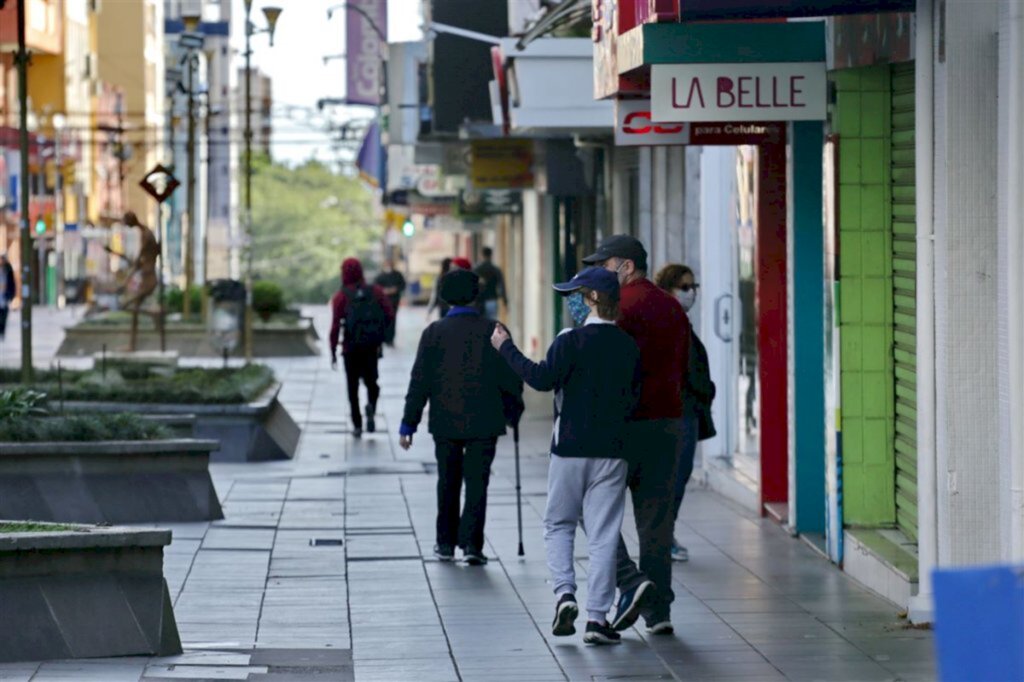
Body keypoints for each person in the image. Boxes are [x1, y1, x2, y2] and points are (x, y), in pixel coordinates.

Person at [491, 266, 641, 646]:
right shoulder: (628, 345)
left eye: (576, 293)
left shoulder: (570, 342)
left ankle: (564, 595)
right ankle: (596, 619)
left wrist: (505, 348)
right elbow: (635, 399)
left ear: (592, 298)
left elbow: (541, 379)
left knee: (559, 524)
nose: (570, 301)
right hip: (613, 451)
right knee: (604, 534)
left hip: (570, 448)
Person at [581, 234, 690, 636]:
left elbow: (598, 363)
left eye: (604, 266)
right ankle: (658, 611)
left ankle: (630, 582)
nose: (599, 274)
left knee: (595, 512)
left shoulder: (617, 307)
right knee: (656, 523)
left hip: (621, 427)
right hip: (668, 425)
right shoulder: (672, 306)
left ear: (625, 266)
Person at [399, 268, 524, 566]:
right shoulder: (494, 329)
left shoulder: (434, 333)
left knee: (448, 480)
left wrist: (408, 424)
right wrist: (513, 411)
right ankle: (472, 544)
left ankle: (444, 543)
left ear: (445, 297)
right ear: (476, 295)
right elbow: (511, 375)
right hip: (485, 421)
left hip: (445, 422)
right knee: (478, 482)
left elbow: (420, 381)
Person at [654, 264, 717, 563]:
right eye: (685, 287)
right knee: (674, 477)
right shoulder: (669, 322)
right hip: (678, 411)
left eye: (694, 287)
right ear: (668, 288)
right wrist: (704, 389)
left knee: (678, 475)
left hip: (685, 409)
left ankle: (664, 536)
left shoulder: (680, 320)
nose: (691, 293)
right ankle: (662, 539)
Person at [329, 258, 395, 439]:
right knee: (372, 382)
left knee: (352, 387)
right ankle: (371, 407)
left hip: (350, 348)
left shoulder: (341, 297)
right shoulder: (376, 292)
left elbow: (335, 326)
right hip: (371, 347)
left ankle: (357, 424)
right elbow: (389, 314)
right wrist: (384, 337)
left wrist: (333, 351)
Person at [374, 259, 406, 346]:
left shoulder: (398, 275)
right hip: (383, 302)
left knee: (392, 319)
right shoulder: (380, 276)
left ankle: (390, 339)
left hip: (394, 301)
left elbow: (402, 285)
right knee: (383, 319)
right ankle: (384, 338)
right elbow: (375, 287)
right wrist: (384, 291)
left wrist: (395, 289)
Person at [474, 247, 508, 320]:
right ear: (491, 255)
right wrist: (505, 301)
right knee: (491, 324)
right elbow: (502, 286)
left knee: (480, 324)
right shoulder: (496, 270)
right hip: (492, 300)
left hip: (479, 301)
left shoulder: (476, 270)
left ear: (482, 255)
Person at [0, 254, 15, 341]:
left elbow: (12, 284)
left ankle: (2, 331)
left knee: (4, 315)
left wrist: (11, 295)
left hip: (5, 296)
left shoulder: (8, 270)